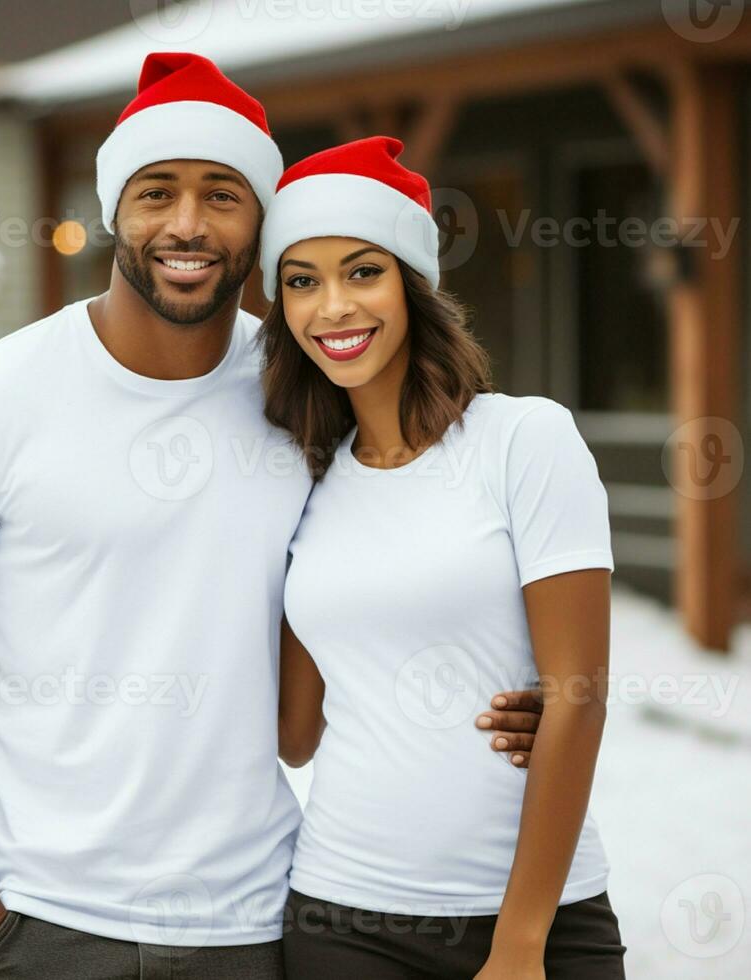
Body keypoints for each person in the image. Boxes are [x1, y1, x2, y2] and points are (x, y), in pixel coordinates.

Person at [0, 55, 543, 980]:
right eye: (156, 192)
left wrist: (516, 698)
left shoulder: (312, 394)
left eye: (223, 195)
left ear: (262, 224)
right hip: (45, 927)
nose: (186, 224)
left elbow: (414, 571)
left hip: (260, 926)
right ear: (113, 210)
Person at [258, 136, 627, 979]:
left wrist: (520, 942)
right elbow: (295, 733)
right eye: (301, 282)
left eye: (362, 271)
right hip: (340, 917)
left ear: (413, 284)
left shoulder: (524, 440)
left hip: (537, 918)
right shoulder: (304, 485)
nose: (333, 308)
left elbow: (579, 694)